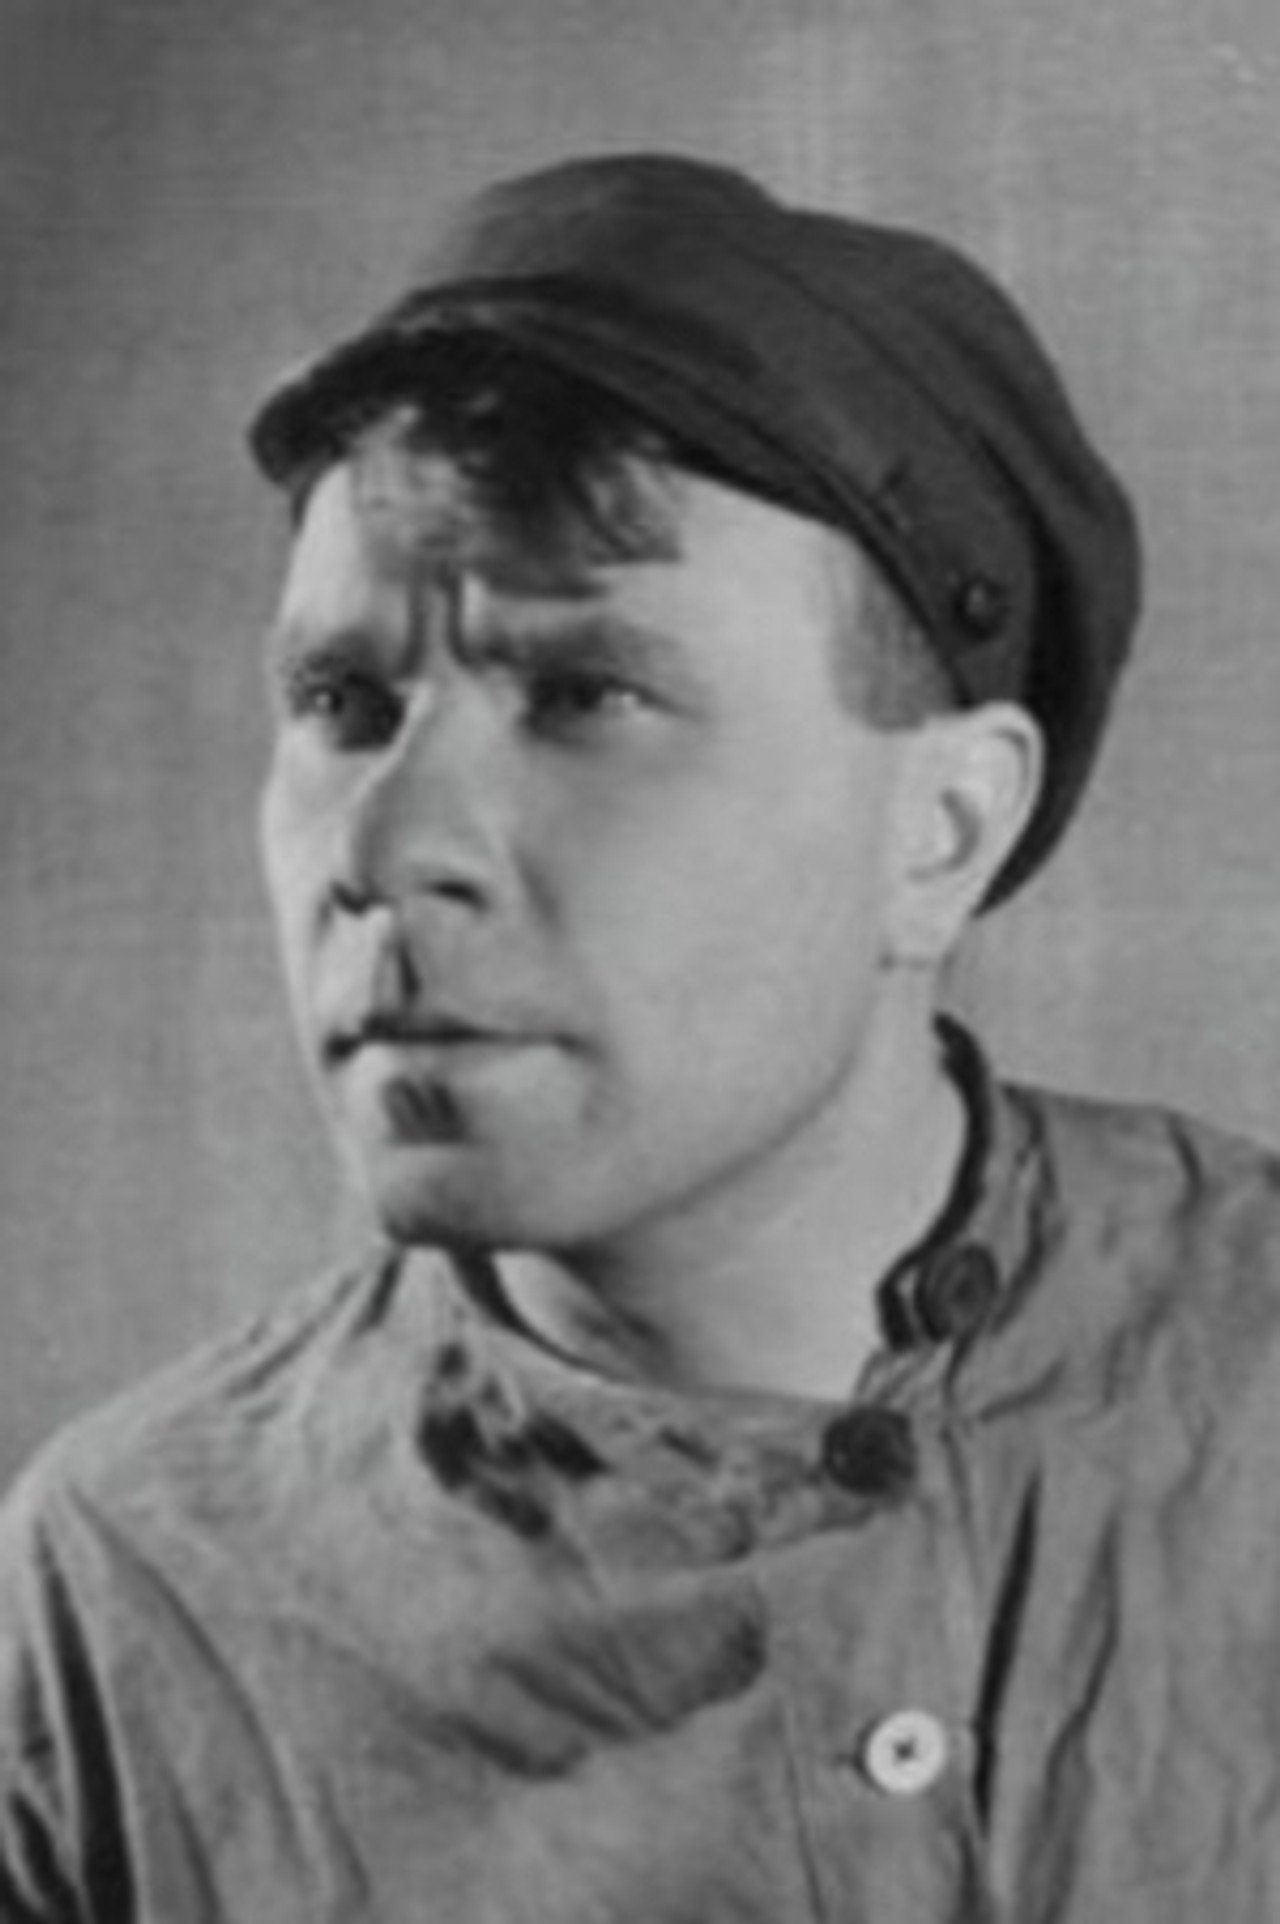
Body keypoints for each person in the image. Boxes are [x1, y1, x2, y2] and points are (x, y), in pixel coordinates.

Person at [1, 151, 1277, 1923]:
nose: (386, 846)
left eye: (584, 694)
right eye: (342, 702)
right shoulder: (131, 1597)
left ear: (943, 831)